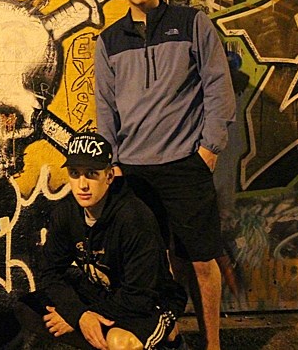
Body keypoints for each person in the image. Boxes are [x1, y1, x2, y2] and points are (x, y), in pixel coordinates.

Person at [94, 0, 236, 350]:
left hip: (185, 165)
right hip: (133, 170)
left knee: (201, 260)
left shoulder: (192, 23)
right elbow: (105, 108)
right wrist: (112, 162)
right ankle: (171, 338)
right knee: (159, 265)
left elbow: (218, 87)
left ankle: (212, 344)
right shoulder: (109, 41)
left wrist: (209, 148)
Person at [16, 132, 187, 350]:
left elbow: (139, 294)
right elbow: (50, 272)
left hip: (150, 301)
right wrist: (79, 315)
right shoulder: (66, 212)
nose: (82, 184)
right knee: (28, 308)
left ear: (109, 176)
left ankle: (170, 338)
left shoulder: (134, 217)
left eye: (91, 174)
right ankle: (98, 336)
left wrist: (78, 317)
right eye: (75, 174)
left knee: (119, 342)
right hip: (103, 293)